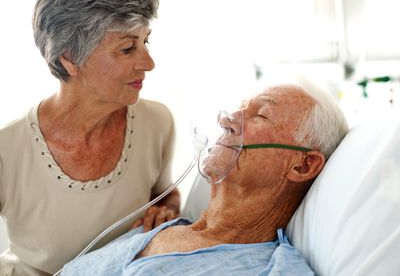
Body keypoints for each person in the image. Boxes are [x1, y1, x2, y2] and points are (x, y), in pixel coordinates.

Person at [60, 83, 349, 275]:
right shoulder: (155, 227)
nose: (227, 119)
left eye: (261, 115)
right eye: (239, 108)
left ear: (303, 166)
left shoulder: (274, 269)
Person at [0, 0, 180, 275]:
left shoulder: (157, 122)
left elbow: (165, 194)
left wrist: (168, 210)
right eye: (127, 49)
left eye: (145, 41)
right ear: (70, 58)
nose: (148, 63)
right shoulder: (7, 151)